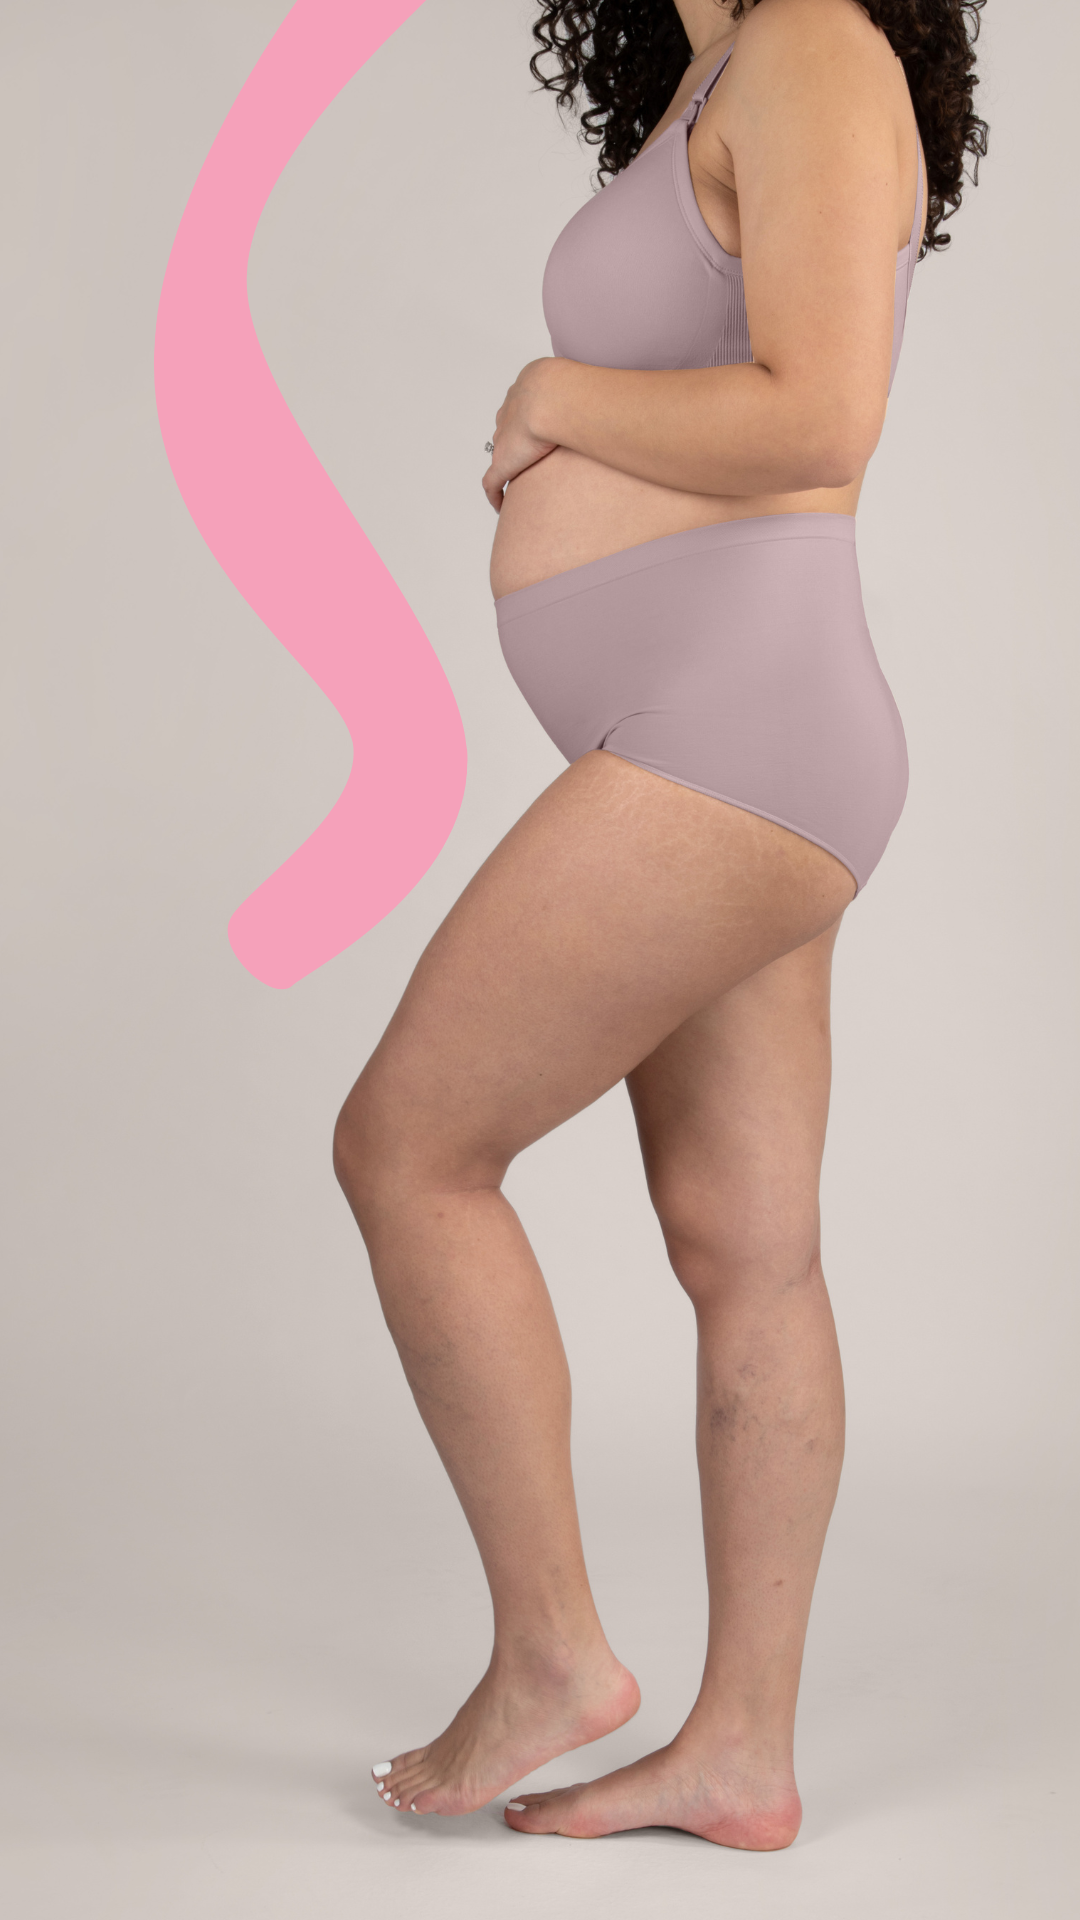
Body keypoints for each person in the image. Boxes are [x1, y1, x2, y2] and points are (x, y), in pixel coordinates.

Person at [334, 0, 987, 1849]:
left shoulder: (815, 45)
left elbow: (821, 413)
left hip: (738, 731)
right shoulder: (713, 73)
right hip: (717, 727)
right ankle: (742, 1755)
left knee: (408, 1149)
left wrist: (554, 400)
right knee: (744, 1241)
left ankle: (550, 1655)